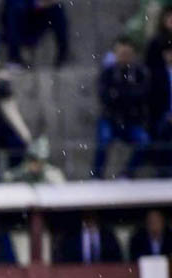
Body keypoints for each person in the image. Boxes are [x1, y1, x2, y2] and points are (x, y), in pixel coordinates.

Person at [94, 37, 152, 179]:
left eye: (127, 54)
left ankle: (127, 174)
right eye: (121, 54)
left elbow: (142, 94)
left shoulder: (139, 72)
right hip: (111, 118)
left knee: (144, 141)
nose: (124, 57)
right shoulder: (108, 72)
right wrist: (127, 95)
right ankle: (96, 175)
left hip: (132, 120)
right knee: (103, 139)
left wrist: (119, 94)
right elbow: (105, 97)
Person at [4, 0, 68, 68]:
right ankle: (14, 58)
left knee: (57, 8)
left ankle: (63, 55)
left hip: (40, 17)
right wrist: (35, 4)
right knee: (16, 9)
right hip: (22, 19)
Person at [54, 212, 124, 263]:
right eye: (87, 216)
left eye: (92, 215)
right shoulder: (71, 238)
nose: (90, 219)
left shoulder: (108, 237)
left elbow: (117, 259)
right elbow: (65, 260)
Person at [148, 39, 172, 175]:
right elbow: (155, 101)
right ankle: (164, 171)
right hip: (163, 116)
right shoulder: (158, 75)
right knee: (162, 130)